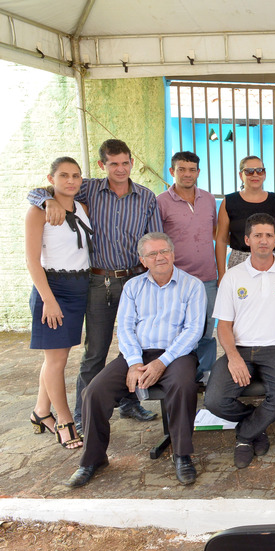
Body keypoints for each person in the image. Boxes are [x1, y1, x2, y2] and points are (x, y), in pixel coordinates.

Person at [27, 139, 163, 430]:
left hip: (135, 281)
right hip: (100, 282)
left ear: (132, 163)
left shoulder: (147, 197)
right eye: (113, 163)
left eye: (125, 163)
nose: (120, 169)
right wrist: (46, 201)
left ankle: (129, 402)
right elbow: (40, 191)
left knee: (136, 347)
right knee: (95, 351)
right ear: (102, 165)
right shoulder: (87, 189)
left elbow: (154, 240)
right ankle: (82, 414)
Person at [65, 233, 206, 487]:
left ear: (173, 254)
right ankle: (93, 459)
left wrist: (162, 362)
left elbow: (193, 331)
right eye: (152, 254)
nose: (159, 257)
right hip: (137, 354)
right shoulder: (133, 287)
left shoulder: (193, 285)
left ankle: (182, 454)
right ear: (143, 260)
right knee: (94, 392)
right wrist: (133, 362)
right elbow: (125, 328)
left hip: (177, 354)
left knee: (183, 385)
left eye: (164, 251)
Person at [205, 213, 275, 469]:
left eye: (269, 235)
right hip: (240, 348)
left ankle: (244, 435)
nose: (264, 240)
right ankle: (256, 426)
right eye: (258, 235)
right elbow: (224, 326)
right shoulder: (233, 276)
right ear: (247, 240)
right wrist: (233, 357)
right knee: (214, 401)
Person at [25, 157, 92, 450]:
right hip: (53, 289)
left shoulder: (82, 207)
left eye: (76, 175)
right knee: (56, 360)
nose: (71, 181)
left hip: (80, 287)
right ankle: (64, 422)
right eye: (64, 175)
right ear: (51, 179)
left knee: (57, 356)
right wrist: (48, 300)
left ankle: (41, 412)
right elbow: (31, 260)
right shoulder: (38, 212)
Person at [157, 151, 218, 381]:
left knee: (206, 327)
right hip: (177, 278)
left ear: (198, 172)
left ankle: (204, 373)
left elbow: (215, 232)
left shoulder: (208, 199)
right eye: (181, 169)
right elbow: (158, 240)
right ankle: (180, 374)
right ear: (172, 171)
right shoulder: (161, 202)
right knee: (178, 329)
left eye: (192, 170)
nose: (187, 174)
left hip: (207, 277)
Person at [215, 156, 275, 282]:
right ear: (241, 175)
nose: (255, 175)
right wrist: (221, 274)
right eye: (249, 171)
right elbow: (221, 240)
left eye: (260, 170)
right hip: (239, 261)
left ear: (265, 174)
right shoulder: (229, 202)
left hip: (271, 260)